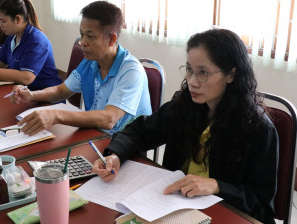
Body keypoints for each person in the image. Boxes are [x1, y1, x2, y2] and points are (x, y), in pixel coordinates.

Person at [93, 29, 279, 224]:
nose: (192, 82)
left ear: (231, 74)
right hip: (172, 207)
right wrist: (115, 155)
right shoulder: (185, 106)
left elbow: (261, 205)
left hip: (222, 214)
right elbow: (140, 131)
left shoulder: (257, 128)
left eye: (203, 73)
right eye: (189, 69)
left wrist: (216, 186)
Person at [9, 0, 152, 135]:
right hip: (96, 136)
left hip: (125, 148)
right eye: (82, 34)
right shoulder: (90, 62)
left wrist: (56, 115)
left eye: (90, 36)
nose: (82, 42)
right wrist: (32, 95)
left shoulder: (131, 71)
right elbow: (61, 91)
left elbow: (109, 119)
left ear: (112, 39)